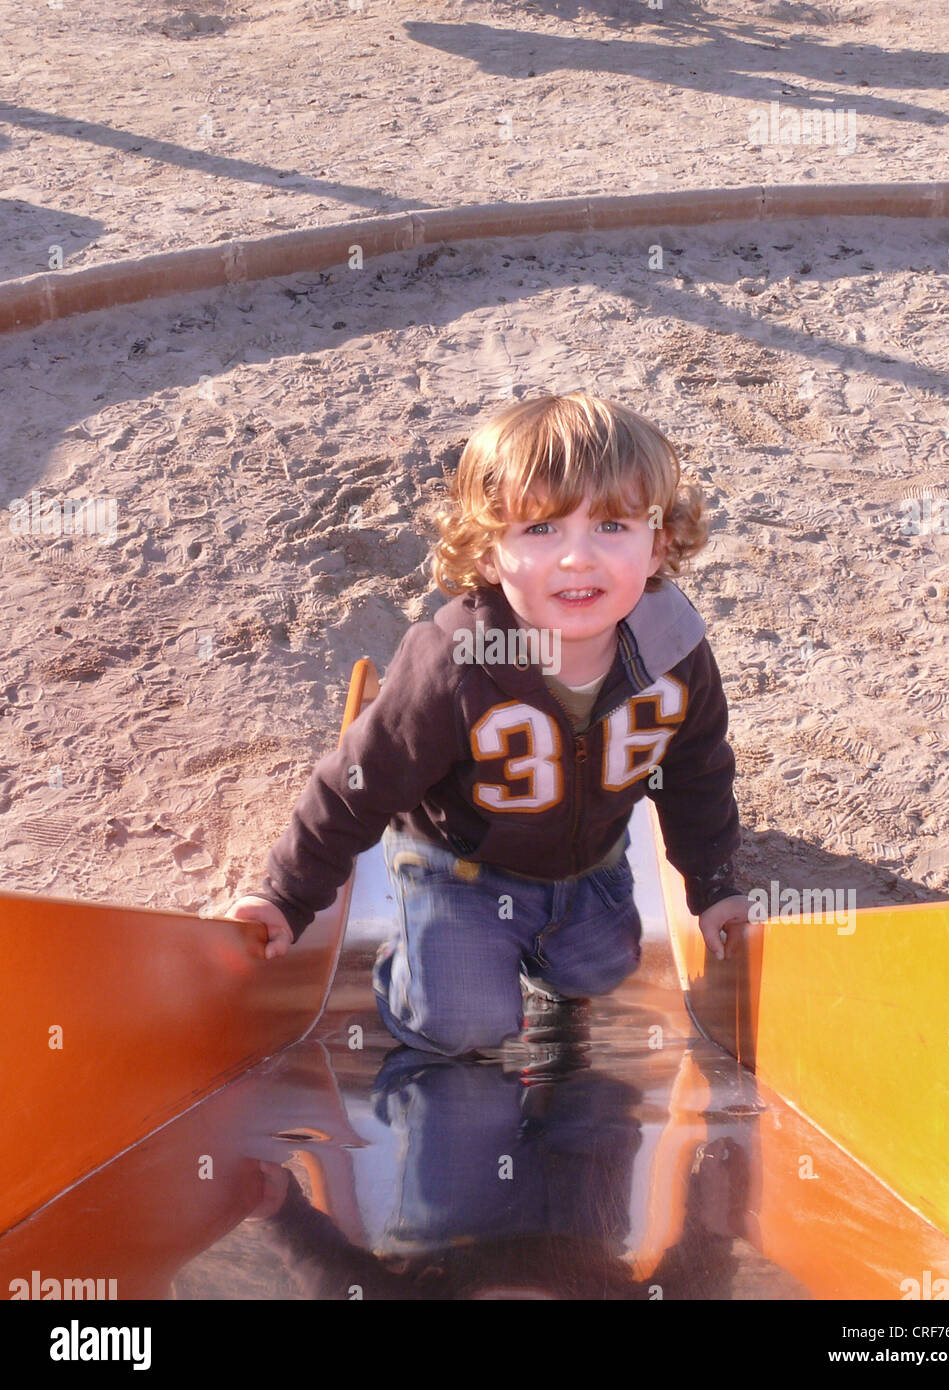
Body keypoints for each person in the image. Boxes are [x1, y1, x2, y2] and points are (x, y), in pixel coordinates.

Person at [227, 392, 752, 1055]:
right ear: (485, 554)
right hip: (461, 865)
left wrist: (711, 887)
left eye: (612, 526)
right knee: (461, 1029)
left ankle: (544, 968)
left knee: (601, 969)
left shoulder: (674, 654)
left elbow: (696, 771)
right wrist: (284, 895)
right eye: (540, 530)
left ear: (657, 546)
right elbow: (355, 786)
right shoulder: (455, 665)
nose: (577, 558)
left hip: (586, 860)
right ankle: (408, 975)